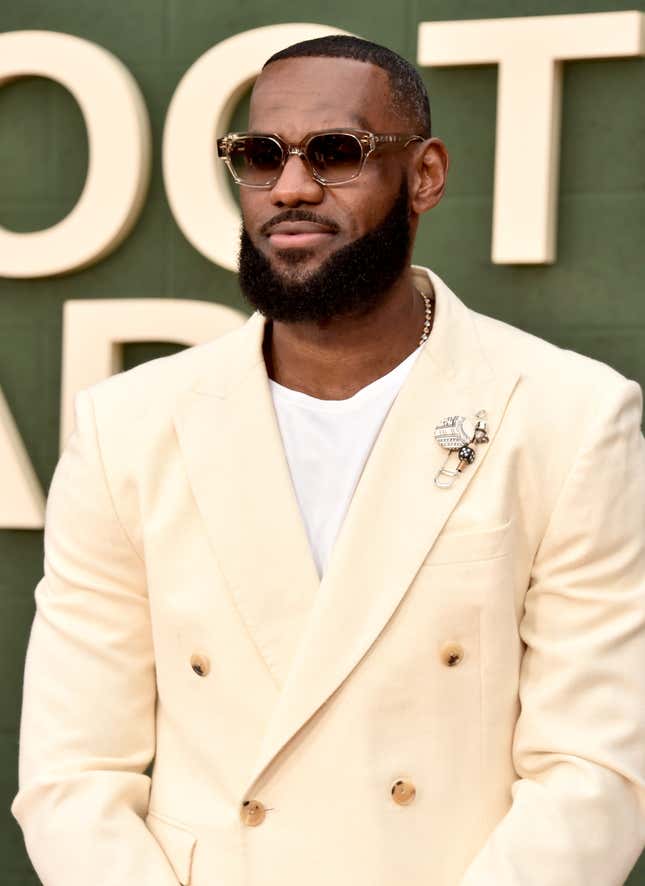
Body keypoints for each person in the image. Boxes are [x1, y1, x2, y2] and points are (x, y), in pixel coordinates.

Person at [11, 34, 645, 886]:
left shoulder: (569, 415)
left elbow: (595, 773)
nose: (292, 187)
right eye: (260, 155)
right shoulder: (128, 424)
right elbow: (73, 773)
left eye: (337, 153)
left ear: (423, 175)